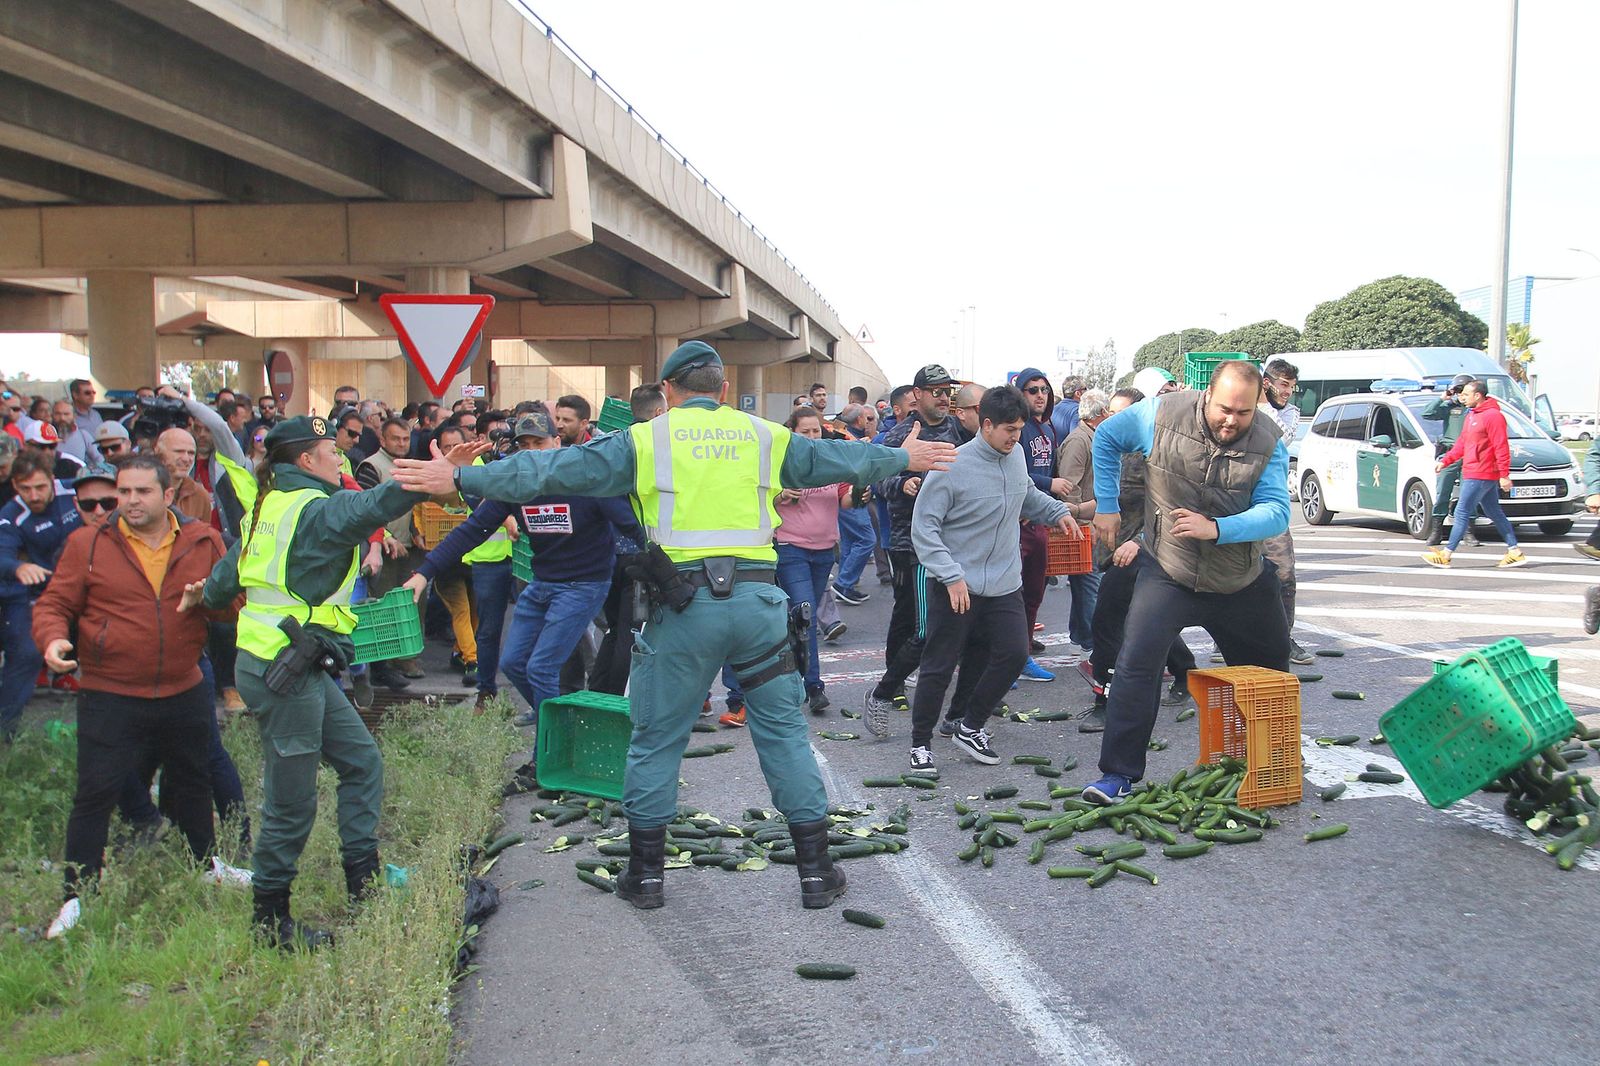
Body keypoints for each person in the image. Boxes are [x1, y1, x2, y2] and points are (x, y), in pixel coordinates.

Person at [390, 340, 955, 911]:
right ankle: (816, 872)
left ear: (667, 393)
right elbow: (837, 460)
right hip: (758, 605)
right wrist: (903, 458)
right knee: (784, 735)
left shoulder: (643, 439)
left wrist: (462, 482)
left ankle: (646, 877)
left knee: (657, 740)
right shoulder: (763, 434)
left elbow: (551, 467)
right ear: (724, 390)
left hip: (681, 608)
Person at [191, 415, 482, 949]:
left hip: (282, 662)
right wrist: (434, 475)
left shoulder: (268, 506)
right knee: (291, 800)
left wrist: (202, 595)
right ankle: (270, 920)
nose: (339, 458)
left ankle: (363, 881)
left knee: (360, 761)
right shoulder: (316, 510)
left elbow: (225, 580)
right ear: (306, 461)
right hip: (286, 670)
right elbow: (372, 507)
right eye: (331, 450)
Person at [34, 456, 231, 935]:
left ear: (169, 495)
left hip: (183, 685)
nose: (129, 502)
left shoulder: (202, 540)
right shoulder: (89, 544)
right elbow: (55, 603)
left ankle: (206, 868)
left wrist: (208, 598)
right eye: (124, 492)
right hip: (110, 691)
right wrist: (53, 639)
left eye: (142, 492)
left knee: (192, 782)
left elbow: (234, 604)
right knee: (95, 792)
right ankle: (77, 895)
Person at [1081, 359, 1292, 804]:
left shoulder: (1270, 439)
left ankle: (1270, 766)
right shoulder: (1160, 414)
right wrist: (1106, 503)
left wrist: (1217, 528)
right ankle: (1117, 776)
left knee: (1271, 671)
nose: (1232, 420)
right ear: (1206, 394)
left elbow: (1277, 511)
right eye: (1224, 409)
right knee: (1136, 665)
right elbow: (1106, 438)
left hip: (1240, 577)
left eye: (1244, 412)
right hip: (1170, 572)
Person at [906, 385, 1075, 771]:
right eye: (1009, 430)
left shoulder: (1015, 456)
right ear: (985, 424)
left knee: (1015, 654)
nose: (1016, 438)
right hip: (955, 585)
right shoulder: (951, 465)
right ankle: (920, 743)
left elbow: (1026, 496)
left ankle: (970, 725)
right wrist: (950, 576)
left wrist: (1057, 511)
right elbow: (924, 528)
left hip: (1004, 582)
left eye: (1020, 430)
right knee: (939, 665)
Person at [862, 365, 968, 730]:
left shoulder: (958, 430)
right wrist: (902, 485)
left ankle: (961, 705)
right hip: (910, 542)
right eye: (935, 391)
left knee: (957, 621)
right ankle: (891, 688)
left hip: (954, 540)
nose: (942, 397)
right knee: (911, 617)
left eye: (947, 392)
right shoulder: (902, 433)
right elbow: (876, 480)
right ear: (917, 395)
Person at [775, 406, 858, 715]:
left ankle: (790, 676)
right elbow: (758, 496)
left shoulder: (830, 460)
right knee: (805, 613)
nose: (812, 436)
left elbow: (848, 501)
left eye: (816, 431)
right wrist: (782, 494)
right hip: (790, 547)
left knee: (797, 619)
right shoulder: (781, 461)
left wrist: (863, 486)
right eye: (805, 431)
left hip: (825, 550)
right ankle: (813, 686)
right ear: (792, 433)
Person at [0, 452, 82, 740]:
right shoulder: (12, 514)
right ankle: (5, 733)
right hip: (41, 593)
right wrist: (18, 567)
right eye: (25, 489)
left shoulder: (75, 489)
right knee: (25, 653)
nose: (33, 495)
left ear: (52, 480)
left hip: (88, 583)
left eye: (39, 487)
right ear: (15, 487)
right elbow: (2, 552)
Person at [1421, 379, 1526, 569]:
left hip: (1481, 472)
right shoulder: (1472, 415)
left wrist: (1504, 474)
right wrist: (1446, 460)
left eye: (1467, 394)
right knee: (1494, 511)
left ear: (1478, 395)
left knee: (1461, 511)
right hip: (1475, 470)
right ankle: (1514, 551)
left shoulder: (1493, 416)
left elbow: (1501, 446)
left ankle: (1446, 554)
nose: (1462, 397)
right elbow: (1462, 443)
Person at [355, 417, 423, 683]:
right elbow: (365, 508)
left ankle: (405, 659)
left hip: (408, 545)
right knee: (382, 609)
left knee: (409, 606)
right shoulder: (371, 466)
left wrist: (417, 532)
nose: (402, 443)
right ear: (383, 440)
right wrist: (384, 536)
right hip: (382, 547)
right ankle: (383, 668)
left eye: (406, 439)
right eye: (396, 438)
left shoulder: (408, 465)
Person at [1012, 367, 1068, 681]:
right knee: (1010, 596)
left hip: (1038, 522)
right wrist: (1051, 482)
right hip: (1016, 522)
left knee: (1034, 593)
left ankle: (1022, 654)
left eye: (1044, 390)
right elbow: (1013, 473)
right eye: (1032, 390)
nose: (1040, 395)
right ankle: (1008, 659)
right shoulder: (1018, 429)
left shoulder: (1047, 429)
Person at [1257, 357, 1312, 665]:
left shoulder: (1289, 412)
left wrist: (1265, 405)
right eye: (1284, 385)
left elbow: (1282, 436)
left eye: (1292, 386)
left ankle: (1283, 638)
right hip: (1240, 503)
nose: (1289, 392)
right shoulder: (1247, 407)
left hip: (1272, 505)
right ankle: (1224, 637)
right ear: (1267, 383)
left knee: (1284, 575)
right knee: (1232, 576)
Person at [1053, 387, 1110, 652]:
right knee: (1089, 584)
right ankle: (1091, 641)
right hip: (1083, 523)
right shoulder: (1079, 440)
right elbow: (1069, 487)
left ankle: (1083, 635)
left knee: (1086, 583)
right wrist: (1081, 520)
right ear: (1100, 413)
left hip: (1088, 520)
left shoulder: (1092, 437)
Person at [1422, 374, 1480, 547]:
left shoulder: (1477, 410)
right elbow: (1428, 413)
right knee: (1442, 492)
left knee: (1469, 494)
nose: (1461, 394)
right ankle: (1436, 531)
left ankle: (1468, 532)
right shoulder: (1449, 407)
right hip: (1450, 454)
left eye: (1465, 390)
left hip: (1471, 455)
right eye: (1459, 390)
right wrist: (1444, 397)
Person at [154, 427, 212, 524]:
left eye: (191, 453)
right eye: (179, 451)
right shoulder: (141, 489)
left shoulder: (200, 495)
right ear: (159, 452)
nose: (186, 459)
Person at [1051, 375, 1088, 441]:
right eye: (1085, 389)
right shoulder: (1078, 411)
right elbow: (1076, 440)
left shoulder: (1053, 410)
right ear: (1078, 393)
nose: (1087, 392)